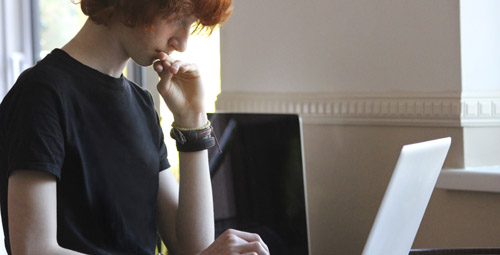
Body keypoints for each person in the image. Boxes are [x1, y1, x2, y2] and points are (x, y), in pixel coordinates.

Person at [0, 0, 269, 254]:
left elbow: (192, 247)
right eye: (177, 18)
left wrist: (193, 121)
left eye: (190, 24)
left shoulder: (142, 104)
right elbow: (34, 248)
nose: (182, 43)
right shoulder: (40, 94)